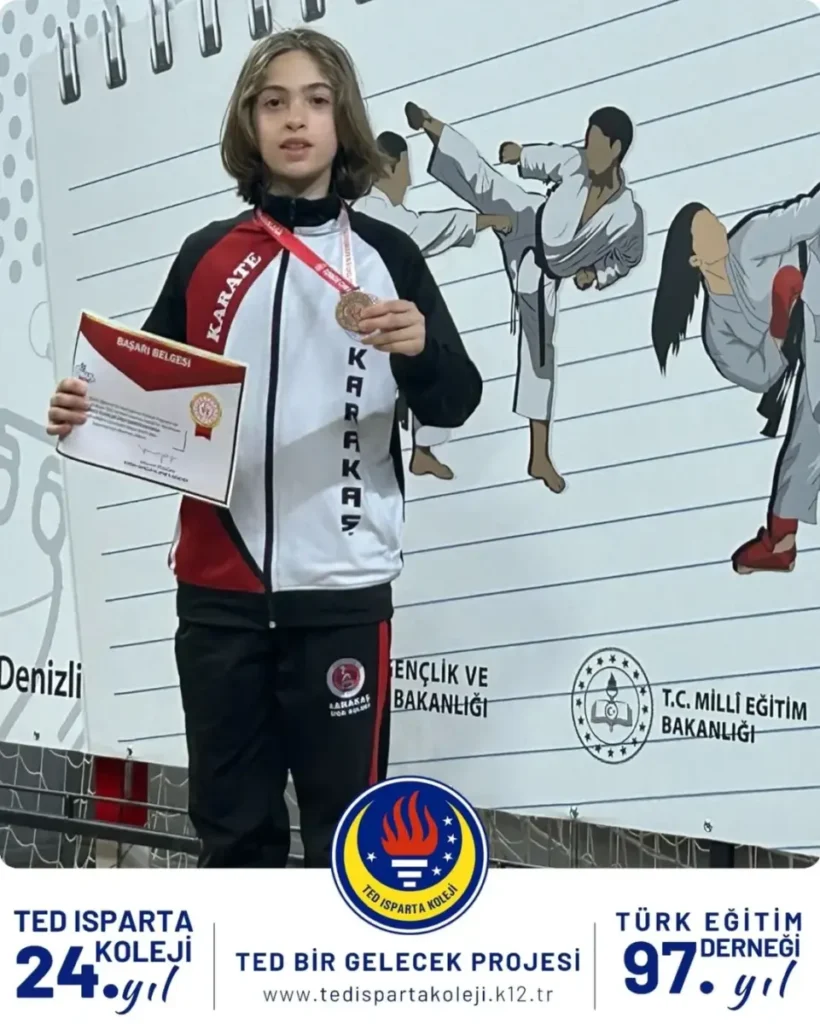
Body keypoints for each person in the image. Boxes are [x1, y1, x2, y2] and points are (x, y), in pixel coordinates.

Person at [45, 29, 482, 868]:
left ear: (343, 121)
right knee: (233, 838)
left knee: (348, 848)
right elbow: (148, 398)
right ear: (249, 123)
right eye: (273, 102)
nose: (295, 119)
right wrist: (84, 408)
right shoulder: (206, 254)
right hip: (219, 602)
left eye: (316, 101)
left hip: (341, 600)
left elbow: (456, 401)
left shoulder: (389, 256)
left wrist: (422, 349)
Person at [406, 102, 644, 492]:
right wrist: (520, 156)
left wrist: (597, 273)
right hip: (527, 219)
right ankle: (431, 126)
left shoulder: (627, 216)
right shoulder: (577, 163)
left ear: (615, 148)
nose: (587, 149)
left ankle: (539, 457)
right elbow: (549, 160)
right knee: (485, 181)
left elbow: (627, 257)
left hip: (544, 272)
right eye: (586, 141)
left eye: (595, 143)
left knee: (539, 355)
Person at [651, 189, 820, 574]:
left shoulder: (749, 240)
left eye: (713, 218)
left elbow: (805, 216)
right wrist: (779, 321)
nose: (718, 225)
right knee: (810, 427)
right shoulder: (718, 332)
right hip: (808, 339)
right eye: (706, 228)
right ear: (695, 259)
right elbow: (761, 375)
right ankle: (782, 542)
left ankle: (781, 540)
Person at [355, 130, 511, 480]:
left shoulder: (376, 214)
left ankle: (422, 451)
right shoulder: (372, 215)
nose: (409, 181)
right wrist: (485, 220)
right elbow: (422, 229)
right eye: (405, 169)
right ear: (389, 167)